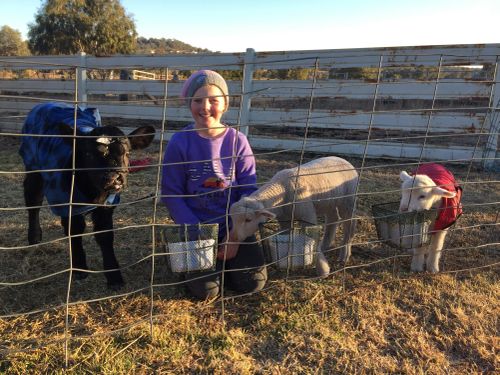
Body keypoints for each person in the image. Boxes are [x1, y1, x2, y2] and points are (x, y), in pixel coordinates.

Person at [161, 70, 267, 299]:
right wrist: (197, 233)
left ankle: (226, 263)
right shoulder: (179, 143)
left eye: (213, 100)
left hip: (232, 226)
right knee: (207, 293)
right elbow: (172, 194)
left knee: (253, 282)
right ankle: (191, 262)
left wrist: (235, 235)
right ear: (189, 103)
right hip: (196, 228)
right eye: (197, 100)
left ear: (225, 104)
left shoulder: (238, 141)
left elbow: (249, 189)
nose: (205, 107)